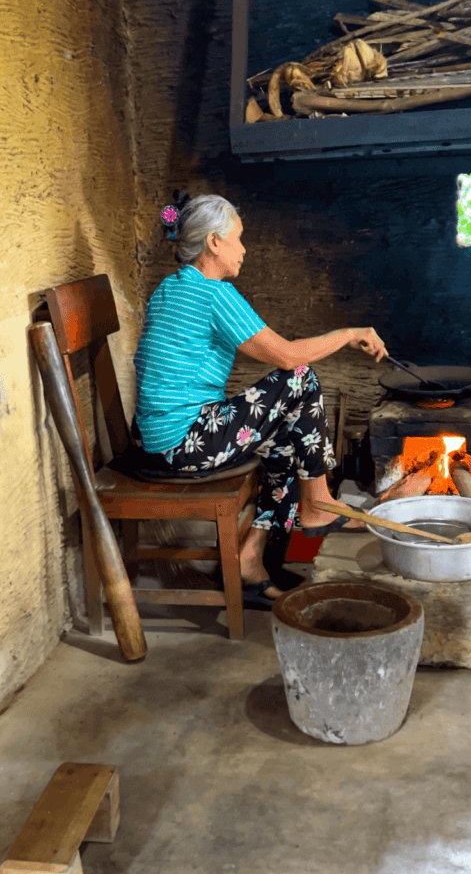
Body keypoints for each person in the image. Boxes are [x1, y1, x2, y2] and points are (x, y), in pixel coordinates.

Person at [132, 193, 388, 605]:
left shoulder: (170, 288)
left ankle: (250, 558)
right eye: (239, 237)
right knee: (300, 378)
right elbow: (287, 356)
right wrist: (346, 334)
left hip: (158, 439)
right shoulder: (214, 295)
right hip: (182, 443)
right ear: (214, 242)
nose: (244, 248)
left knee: (288, 439)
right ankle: (319, 504)